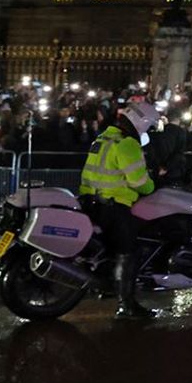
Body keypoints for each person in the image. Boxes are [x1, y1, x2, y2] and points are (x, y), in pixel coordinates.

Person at [78, 101, 161, 319]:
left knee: (115, 247)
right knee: (130, 250)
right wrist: (153, 184)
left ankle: (103, 285)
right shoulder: (127, 144)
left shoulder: (103, 138)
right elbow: (139, 181)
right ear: (140, 122)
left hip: (90, 201)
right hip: (112, 207)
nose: (149, 130)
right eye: (149, 126)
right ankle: (127, 305)